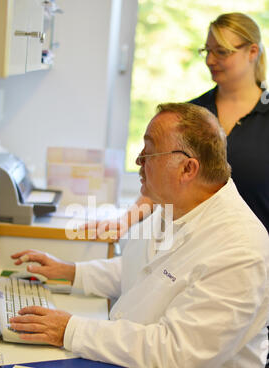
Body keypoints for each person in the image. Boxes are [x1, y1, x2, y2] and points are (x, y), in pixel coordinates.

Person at [9, 102, 269, 368]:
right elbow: (139, 271)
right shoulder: (174, 205)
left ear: (187, 169)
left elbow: (175, 352)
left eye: (148, 153)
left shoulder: (240, 249)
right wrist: (70, 271)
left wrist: (70, 329)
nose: (138, 163)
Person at [93, 12, 269, 238]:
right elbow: (161, 175)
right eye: (207, 50)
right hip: (194, 248)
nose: (210, 60)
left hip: (258, 254)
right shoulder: (193, 116)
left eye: (221, 52)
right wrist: (124, 222)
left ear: (252, 52)